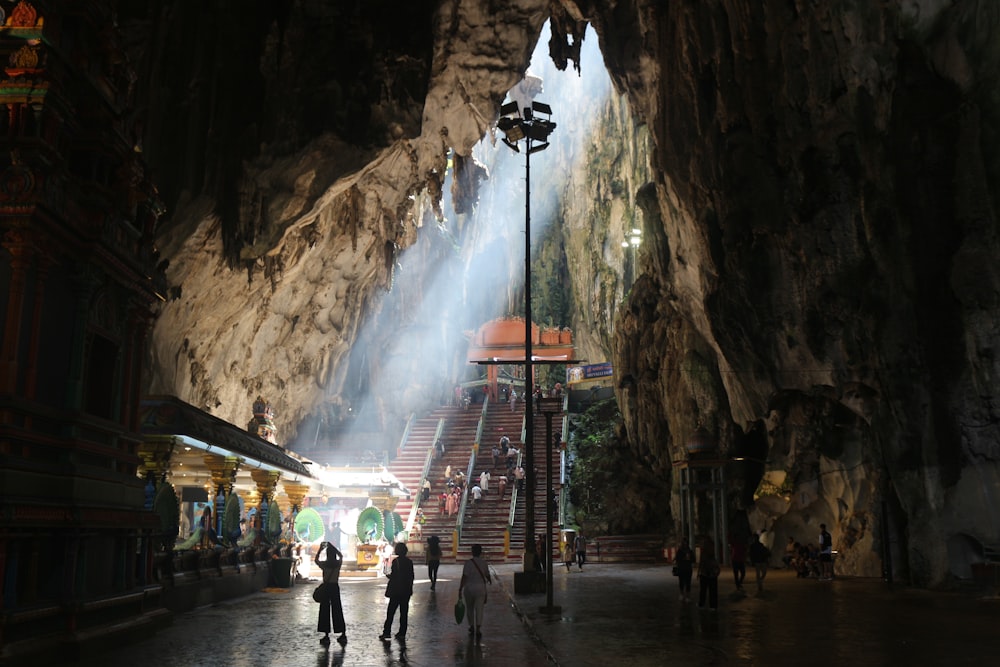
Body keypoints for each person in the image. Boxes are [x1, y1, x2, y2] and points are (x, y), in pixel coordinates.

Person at [314, 541, 347, 646]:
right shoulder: (337, 564)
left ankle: (326, 635)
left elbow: (316, 560)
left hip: (326, 588)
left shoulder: (325, 564)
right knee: (337, 610)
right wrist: (333, 547)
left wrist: (320, 549)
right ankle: (342, 633)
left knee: (325, 611)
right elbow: (341, 556)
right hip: (334, 587)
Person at [380, 542, 414, 641]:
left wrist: (387, 575)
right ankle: (402, 632)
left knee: (391, 612)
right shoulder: (409, 562)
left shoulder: (396, 561)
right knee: (404, 613)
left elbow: (394, 575)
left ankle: (387, 632)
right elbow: (411, 576)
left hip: (396, 591)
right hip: (405, 591)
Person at [459, 544, 492, 641]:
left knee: (470, 608)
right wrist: (489, 580)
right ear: (480, 552)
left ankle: (471, 626)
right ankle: (478, 628)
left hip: (469, 588)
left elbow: (464, 576)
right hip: (481, 588)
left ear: (472, 552)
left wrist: (460, 588)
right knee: (479, 608)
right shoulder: (484, 563)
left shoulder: (468, 563)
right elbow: (487, 574)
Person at [698, 541, 721, 610]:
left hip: (705, 574)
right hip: (712, 574)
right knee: (713, 591)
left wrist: (699, 572)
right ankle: (713, 605)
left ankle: (702, 604)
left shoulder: (704, 553)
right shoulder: (712, 553)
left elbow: (702, 563)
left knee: (703, 590)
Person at [675, 536, 695, 603]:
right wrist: (683, 559)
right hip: (681, 568)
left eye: (686, 542)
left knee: (688, 582)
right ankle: (681, 594)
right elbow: (677, 559)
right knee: (681, 582)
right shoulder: (680, 551)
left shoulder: (690, 551)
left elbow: (693, 559)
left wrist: (690, 559)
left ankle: (688, 596)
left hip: (688, 568)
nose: (685, 544)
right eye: (684, 542)